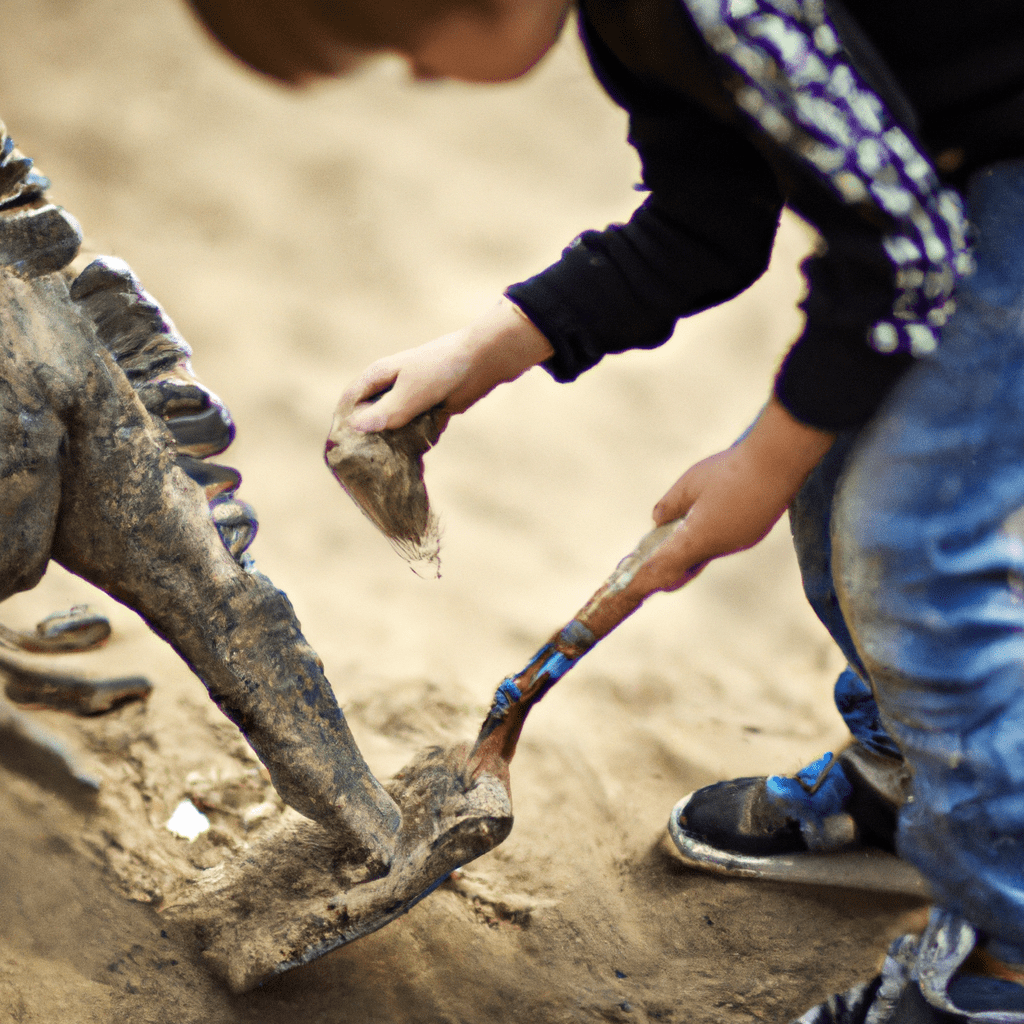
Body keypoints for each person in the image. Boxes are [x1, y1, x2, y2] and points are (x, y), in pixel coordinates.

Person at [187, 0, 1024, 1020]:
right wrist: (486, 349)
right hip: (955, 188)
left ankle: (1002, 967)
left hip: (987, 194)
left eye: (406, 47)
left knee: (904, 538)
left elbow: (901, 255)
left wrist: (755, 467)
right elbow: (705, 226)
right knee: (834, 483)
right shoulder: (639, 24)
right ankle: (915, 774)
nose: (421, 77)